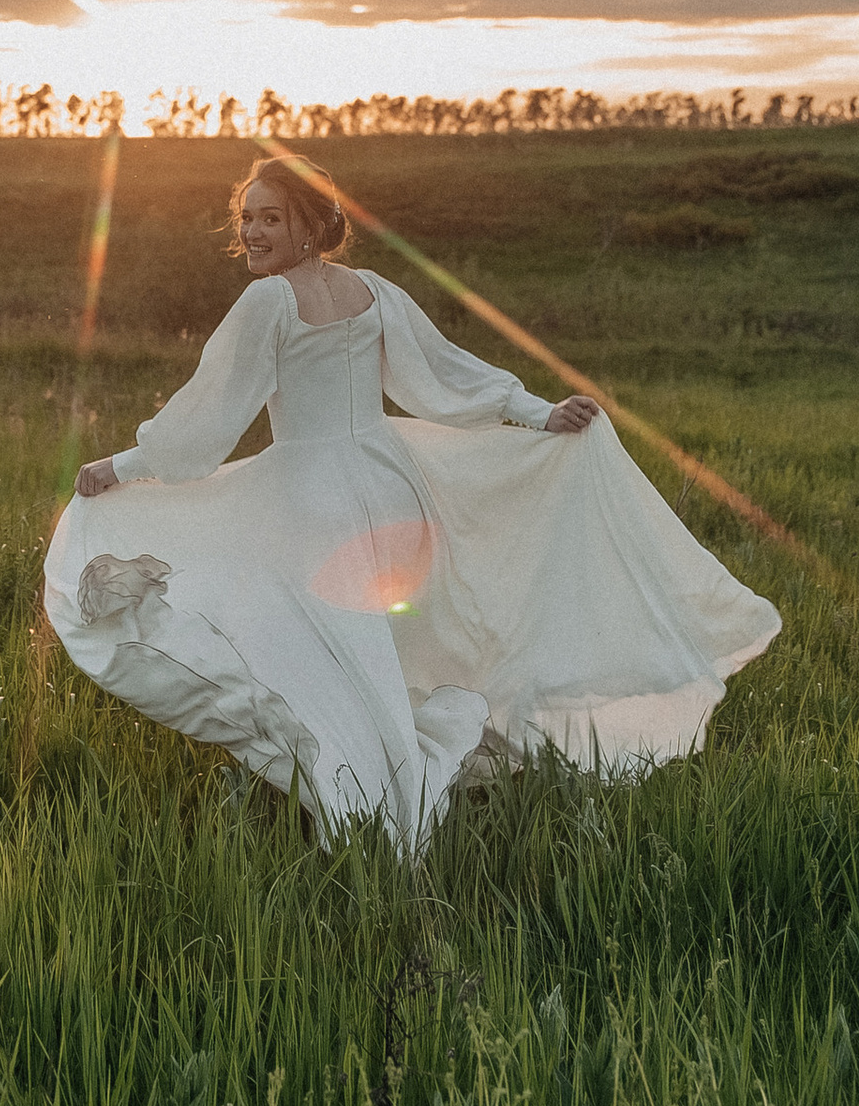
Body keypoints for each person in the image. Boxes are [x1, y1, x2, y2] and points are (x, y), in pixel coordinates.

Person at [42, 154, 780, 842]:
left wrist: (127, 464)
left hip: (313, 495)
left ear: (309, 224)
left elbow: (209, 419)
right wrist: (533, 411)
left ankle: (378, 797)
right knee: (378, 644)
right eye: (248, 217)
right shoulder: (372, 291)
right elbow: (444, 376)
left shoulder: (269, 300)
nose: (253, 232)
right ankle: (392, 760)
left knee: (309, 645)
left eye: (271, 217)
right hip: (392, 480)